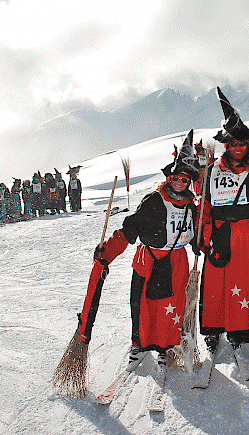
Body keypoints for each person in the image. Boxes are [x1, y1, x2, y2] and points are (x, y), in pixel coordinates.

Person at [92, 130, 200, 371]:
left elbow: (198, 232)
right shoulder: (154, 201)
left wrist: (199, 244)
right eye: (176, 178)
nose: (180, 183)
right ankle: (139, 345)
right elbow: (129, 230)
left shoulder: (192, 206)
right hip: (149, 260)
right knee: (142, 305)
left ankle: (165, 346)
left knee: (170, 307)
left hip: (176, 262)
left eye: (184, 180)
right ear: (168, 178)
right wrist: (107, 253)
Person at [198, 87, 249, 355]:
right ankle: (214, 329)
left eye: (243, 144)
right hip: (217, 232)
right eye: (233, 144)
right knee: (216, 283)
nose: (239, 148)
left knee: (244, 283)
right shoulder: (211, 172)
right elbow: (204, 205)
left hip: (247, 235)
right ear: (226, 145)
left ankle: (239, 328)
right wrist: (201, 235)